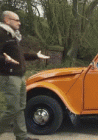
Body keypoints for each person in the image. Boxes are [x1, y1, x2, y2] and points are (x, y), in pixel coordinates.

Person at [0, 11, 50, 140]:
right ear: (7, 20)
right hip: (9, 76)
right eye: (16, 20)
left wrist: (36, 56)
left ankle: (21, 137)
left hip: (20, 76)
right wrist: (4, 59)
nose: (19, 23)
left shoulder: (13, 36)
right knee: (13, 109)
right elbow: (4, 57)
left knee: (20, 107)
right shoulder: (1, 34)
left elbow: (20, 56)